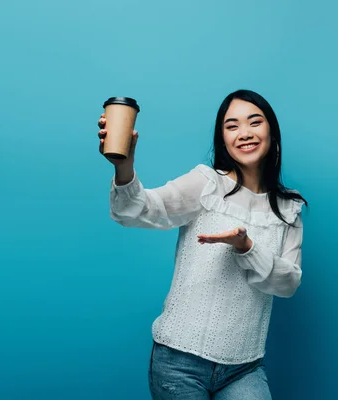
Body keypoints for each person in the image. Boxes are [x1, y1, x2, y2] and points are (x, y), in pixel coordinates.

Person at [97, 89, 308, 399]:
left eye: (254, 122)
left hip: (244, 367)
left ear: (272, 133)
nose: (244, 133)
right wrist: (124, 166)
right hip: (178, 362)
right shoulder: (207, 184)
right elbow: (138, 210)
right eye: (232, 126)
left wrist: (247, 247)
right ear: (222, 138)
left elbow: (288, 283)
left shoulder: (288, 209)